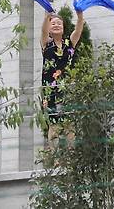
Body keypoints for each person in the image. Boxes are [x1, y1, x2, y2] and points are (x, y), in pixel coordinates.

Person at [40, 9, 84, 140]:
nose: (56, 25)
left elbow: (78, 31)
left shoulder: (69, 43)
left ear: (64, 28)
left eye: (59, 23)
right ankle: (56, 159)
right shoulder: (46, 43)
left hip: (68, 90)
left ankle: (70, 158)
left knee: (69, 125)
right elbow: (43, 31)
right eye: (53, 23)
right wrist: (47, 17)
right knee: (54, 126)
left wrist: (80, 17)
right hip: (50, 91)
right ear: (48, 27)